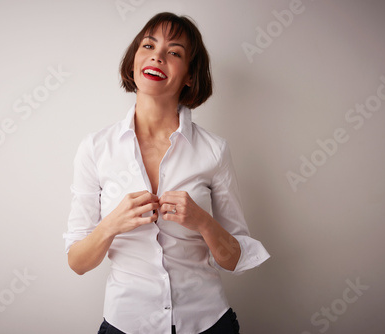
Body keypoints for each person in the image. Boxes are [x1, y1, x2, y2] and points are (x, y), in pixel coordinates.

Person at [63, 12, 270, 334]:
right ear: (134, 62)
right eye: (148, 45)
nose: (157, 56)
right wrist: (112, 224)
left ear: (189, 76)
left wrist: (202, 221)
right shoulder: (95, 148)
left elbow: (234, 258)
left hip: (207, 323)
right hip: (125, 323)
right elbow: (77, 262)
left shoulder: (214, 150)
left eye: (174, 52)